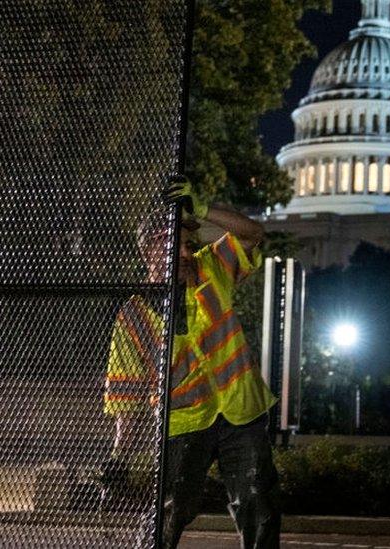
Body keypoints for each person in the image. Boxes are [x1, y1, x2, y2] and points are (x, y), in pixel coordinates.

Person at [102, 178, 280, 549]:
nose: (186, 253)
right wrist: (119, 457)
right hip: (182, 422)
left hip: (240, 413)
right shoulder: (132, 317)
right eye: (175, 246)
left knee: (258, 505)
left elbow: (253, 234)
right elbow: (127, 397)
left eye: (188, 245)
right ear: (150, 250)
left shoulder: (212, 268)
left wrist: (201, 208)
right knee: (170, 510)